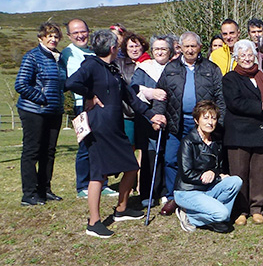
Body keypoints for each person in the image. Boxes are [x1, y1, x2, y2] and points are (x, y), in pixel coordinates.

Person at [66, 29, 165, 238]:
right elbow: (71, 83)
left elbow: (130, 97)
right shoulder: (91, 64)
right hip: (98, 127)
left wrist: (150, 115)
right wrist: (90, 95)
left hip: (115, 127)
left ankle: (121, 209)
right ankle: (93, 222)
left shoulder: (112, 68)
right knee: (98, 174)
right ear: (113, 48)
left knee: (131, 166)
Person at [152, 31, 226, 217]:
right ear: (180, 48)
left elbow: (220, 98)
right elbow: (161, 94)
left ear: (200, 47)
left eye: (194, 46)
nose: (190, 50)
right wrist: (158, 114)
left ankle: (197, 195)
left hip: (202, 125)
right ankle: (172, 197)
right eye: (187, 46)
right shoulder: (171, 68)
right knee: (171, 159)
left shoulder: (211, 68)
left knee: (199, 161)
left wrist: (219, 122)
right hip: (176, 122)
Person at [222, 39, 263, 226]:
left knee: (259, 173)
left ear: (255, 56)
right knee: (239, 174)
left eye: (250, 55)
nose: (246, 58)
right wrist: (261, 106)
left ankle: (257, 208)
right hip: (238, 133)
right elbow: (235, 103)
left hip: (260, 131)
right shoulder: (230, 78)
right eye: (242, 55)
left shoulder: (262, 77)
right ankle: (240, 210)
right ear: (236, 57)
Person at [16, 22, 65, 206]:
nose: (53, 39)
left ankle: (45, 189)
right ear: (41, 38)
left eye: (56, 36)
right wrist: (42, 98)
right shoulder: (32, 57)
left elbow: (61, 84)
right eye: (49, 36)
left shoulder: (59, 59)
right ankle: (29, 194)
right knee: (32, 151)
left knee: (49, 151)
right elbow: (21, 84)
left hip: (54, 111)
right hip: (33, 110)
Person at [174, 100, 243, 233]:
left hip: (207, 188)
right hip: (188, 191)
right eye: (205, 118)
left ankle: (218, 217)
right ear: (196, 120)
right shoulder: (188, 142)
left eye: (213, 118)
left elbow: (219, 167)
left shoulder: (216, 141)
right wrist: (215, 178)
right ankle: (189, 216)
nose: (210, 122)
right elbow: (186, 174)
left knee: (235, 181)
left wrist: (214, 172)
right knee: (222, 213)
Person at [60, 18, 110, 199]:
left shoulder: (93, 51)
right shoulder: (67, 54)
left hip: (100, 103)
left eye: (83, 31)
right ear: (69, 36)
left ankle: (102, 183)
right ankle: (82, 185)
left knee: (101, 144)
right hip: (83, 104)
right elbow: (69, 82)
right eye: (75, 33)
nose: (80, 35)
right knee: (85, 145)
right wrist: (89, 95)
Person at [130, 35, 175, 207]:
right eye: (156, 49)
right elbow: (134, 89)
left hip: (170, 117)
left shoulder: (174, 67)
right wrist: (151, 92)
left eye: (163, 49)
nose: (160, 52)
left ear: (169, 50)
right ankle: (147, 193)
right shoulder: (144, 68)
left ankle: (164, 190)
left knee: (167, 155)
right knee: (150, 156)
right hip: (148, 118)